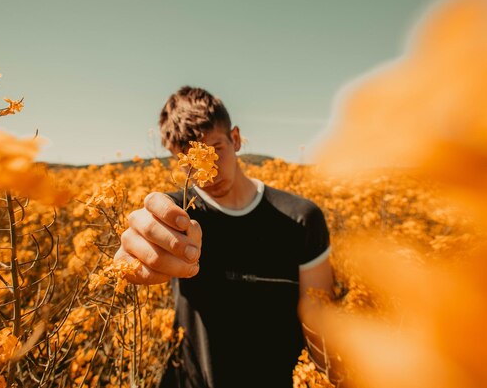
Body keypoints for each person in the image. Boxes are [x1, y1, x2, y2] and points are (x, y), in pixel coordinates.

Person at [114, 86, 334, 388]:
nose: (209, 173)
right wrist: (133, 257)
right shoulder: (178, 216)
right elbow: (143, 232)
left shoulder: (301, 218)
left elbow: (319, 317)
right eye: (191, 160)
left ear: (236, 138)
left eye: (216, 149)